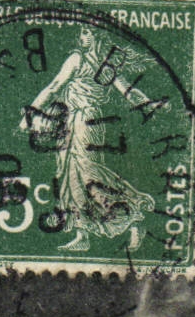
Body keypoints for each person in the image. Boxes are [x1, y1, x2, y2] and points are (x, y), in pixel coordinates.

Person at [19, 27, 156, 253]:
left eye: (86, 33)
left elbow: (54, 87)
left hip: (84, 121)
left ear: (97, 36)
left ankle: (133, 215)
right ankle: (82, 234)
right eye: (81, 33)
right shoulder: (103, 64)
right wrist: (147, 104)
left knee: (88, 173)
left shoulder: (79, 59)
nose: (81, 37)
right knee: (68, 175)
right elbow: (128, 91)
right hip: (71, 122)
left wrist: (31, 113)